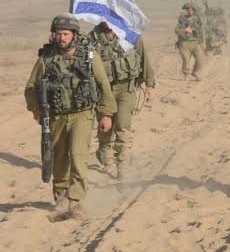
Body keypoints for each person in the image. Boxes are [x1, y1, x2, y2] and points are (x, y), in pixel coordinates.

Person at [25, 13, 117, 219]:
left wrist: (106, 114)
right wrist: (36, 109)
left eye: (65, 34)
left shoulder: (89, 56)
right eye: (58, 34)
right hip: (56, 116)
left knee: (77, 155)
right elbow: (31, 87)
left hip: (81, 114)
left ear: (74, 34)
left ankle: (76, 200)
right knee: (58, 157)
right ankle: (61, 197)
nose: (61, 38)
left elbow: (103, 85)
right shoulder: (46, 58)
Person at [90, 22, 155, 179]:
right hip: (104, 90)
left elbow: (144, 58)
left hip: (126, 88)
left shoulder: (130, 35)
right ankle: (107, 161)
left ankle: (122, 164)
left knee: (123, 126)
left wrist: (150, 84)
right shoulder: (93, 39)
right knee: (105, 128)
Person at [175, 2, 205, 80]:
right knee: (186, 60)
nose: (190, 11)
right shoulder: (182, 20)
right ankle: (186, 74)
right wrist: (185, 30)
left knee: (200, 60)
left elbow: (202, 31)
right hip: (184, 43)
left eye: (191, 10)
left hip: (196, 43)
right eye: (188, 10)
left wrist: (203, 42)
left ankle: (195, 72)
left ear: (194, 11)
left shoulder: (197, 19)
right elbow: (176, 30)